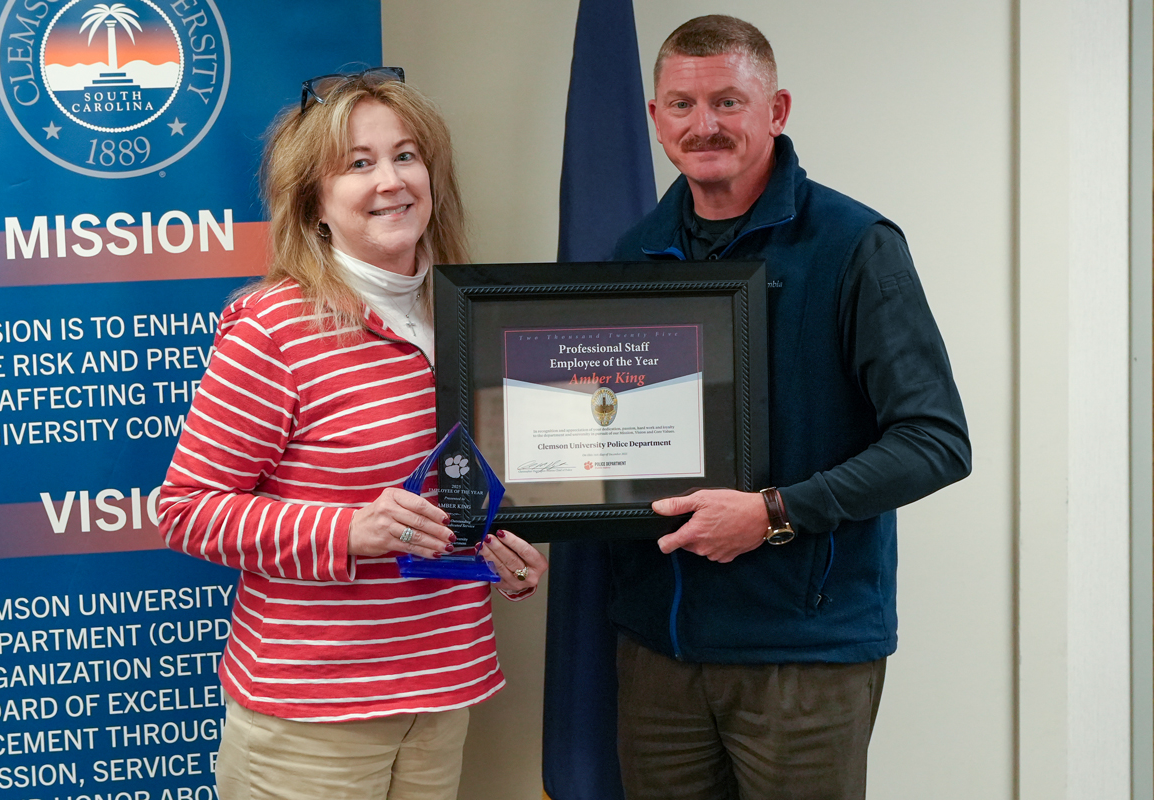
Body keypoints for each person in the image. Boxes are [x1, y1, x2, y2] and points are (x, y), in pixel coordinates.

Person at [608, 16, 971, 800]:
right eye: (681, 104)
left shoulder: (856, 245)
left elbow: (935, 440)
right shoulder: (633, 253)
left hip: (803, 655)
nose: (704, 125)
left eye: (729, 102)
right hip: (659, 652)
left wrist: (774, 512)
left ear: (777, 111)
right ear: (655, 119)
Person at [158, 68, 547, 800]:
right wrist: (347, 531)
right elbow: (186, 510)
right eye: (358, 164)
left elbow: (470, 493)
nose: (390, 181)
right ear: (315, 203)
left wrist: (509, 549)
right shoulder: (274, 328)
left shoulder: (472, 314)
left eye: (406, 155)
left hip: (440, 695)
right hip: (311, 718)